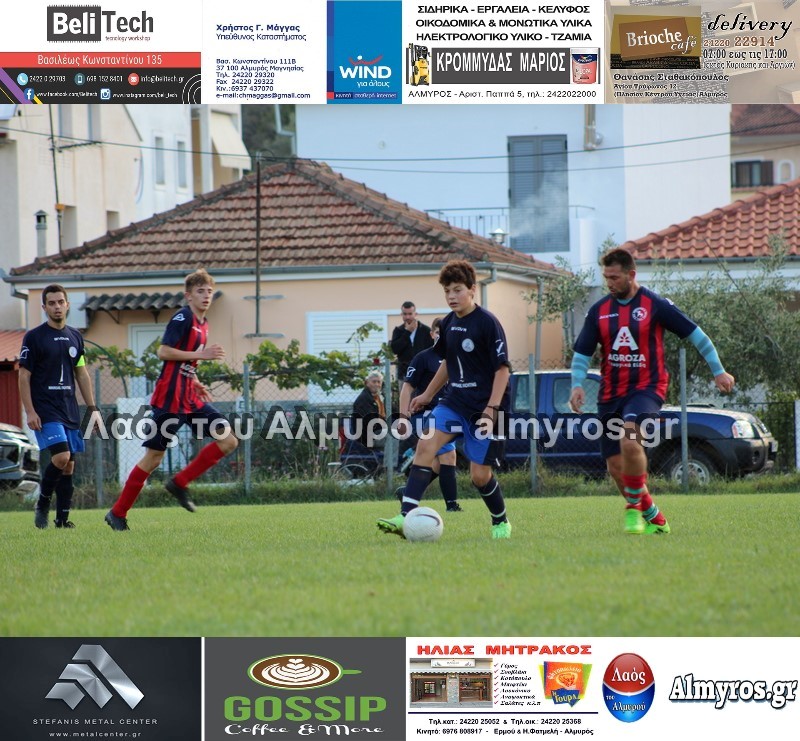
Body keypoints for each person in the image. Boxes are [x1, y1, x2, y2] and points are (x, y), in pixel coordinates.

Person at [569, 248, 735, 535]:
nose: (609, 283)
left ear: (631, 274)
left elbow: (697, 335)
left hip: (647, 389)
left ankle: (633, 509)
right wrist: (576, 384)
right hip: (610, 393)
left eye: (614, 277)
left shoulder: (655, 304)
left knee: (631, 440)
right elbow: (582, 354)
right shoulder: (599, 311)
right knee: (615, 467)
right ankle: (653, 516)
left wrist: (718, 370)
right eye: (606, 277)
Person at [378, 260, 512, 539]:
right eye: (447, 291)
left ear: (472, 289)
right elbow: (448, 363)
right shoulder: (449, 323)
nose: (452, 296)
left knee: (479, 476)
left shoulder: (488, 323)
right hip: (455, 402)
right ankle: (404, 516)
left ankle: (501, 521)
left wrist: (491, 409)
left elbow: (502, 370)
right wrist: (427, 394)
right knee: (425, 445)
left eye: (457, 290)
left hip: (486, 407)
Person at [104, 269, 239, 531]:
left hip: (189, 397)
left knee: (229, 439)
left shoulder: (204, 324)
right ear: (188, 296)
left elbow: (185, 360)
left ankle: (179, 483)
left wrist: (195, 380)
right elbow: (164, 351)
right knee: (154, 458)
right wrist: (202, 356)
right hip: (169, 399)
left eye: (209, 291)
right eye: (200, 291)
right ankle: (117, 513)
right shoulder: (182, 316)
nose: (206, 296)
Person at [19, 284, 96, 529]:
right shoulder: (34, 337)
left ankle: (62, 520)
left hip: (69, 407)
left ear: (67, 304)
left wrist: (92, 408)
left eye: (60, 302)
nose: (57, 307)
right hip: (46, 408)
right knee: (61, 457)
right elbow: (24, 376)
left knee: (69, 464)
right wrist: (30, 411)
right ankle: (42, 504)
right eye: (51, 303)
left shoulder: (75, 336)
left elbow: (81, 373)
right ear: (44, 308)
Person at [397, 317, 461, 512]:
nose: (441, 336)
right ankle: (452, 506)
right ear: (432, 334)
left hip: (448, 414)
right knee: (448, 455)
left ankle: (407, 491)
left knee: (438, 463)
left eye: (445, 333)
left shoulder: (456, 358)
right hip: (425, 414)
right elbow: (407, 388)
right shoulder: (423, 357)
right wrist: (403, 417)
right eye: (438, 333)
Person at [390, 301, 433, 393]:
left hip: (423, 373)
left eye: (410, 314)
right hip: (404, 373)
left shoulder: (426, 331)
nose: (407, 317)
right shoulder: (398, 331)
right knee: (405, 398)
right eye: (405, 314)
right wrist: (407, 332)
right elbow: (395, 349)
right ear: (401, 314)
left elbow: (431, 349)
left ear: (415, 314)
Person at [352, 369, 386, 449]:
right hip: (367, 436)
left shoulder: (378, 398)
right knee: (394, 435)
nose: (377, 384)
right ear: (367, 383)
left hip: (377, 431)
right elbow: (370, 422)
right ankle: (391, 458)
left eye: (379, 382)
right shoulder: (363, 399)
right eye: (374, 382)